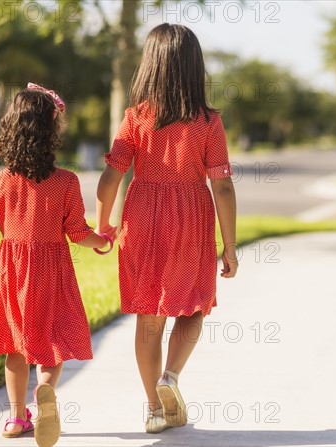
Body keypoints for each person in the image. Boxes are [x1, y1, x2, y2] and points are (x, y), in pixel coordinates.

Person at [0, 84, 116, 447]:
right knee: (53, 340)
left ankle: (15, 417)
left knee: (15, 346)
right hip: (51, 273)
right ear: (52, 132)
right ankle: (45, 391)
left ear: (10, 131)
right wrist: (103, 242)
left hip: (10, 274)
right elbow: (78, 234)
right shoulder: (66, 183)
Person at [96, 23, 238, 433]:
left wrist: (104, 224)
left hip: (140, 221)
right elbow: (223, 186)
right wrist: (229, 246)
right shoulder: (208, 121)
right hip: (191, 220)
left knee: (149, 316)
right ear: (195, 67)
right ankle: (171, 376)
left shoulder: (135, 118)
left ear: (149, 65)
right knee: (194, 304)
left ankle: (155, 408)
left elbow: (111, 177)